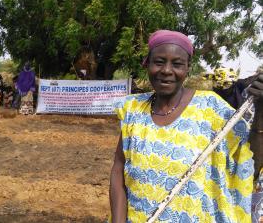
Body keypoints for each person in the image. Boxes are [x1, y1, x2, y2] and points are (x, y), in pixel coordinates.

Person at [109, 30, 263, 222]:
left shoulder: (211, 108)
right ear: (147, 63)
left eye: (177, 64)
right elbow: (118, 168)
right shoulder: (133, 108)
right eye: (159, 61)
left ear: (188, 67)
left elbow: (250, 163)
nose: (166, 70)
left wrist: (261, 114)